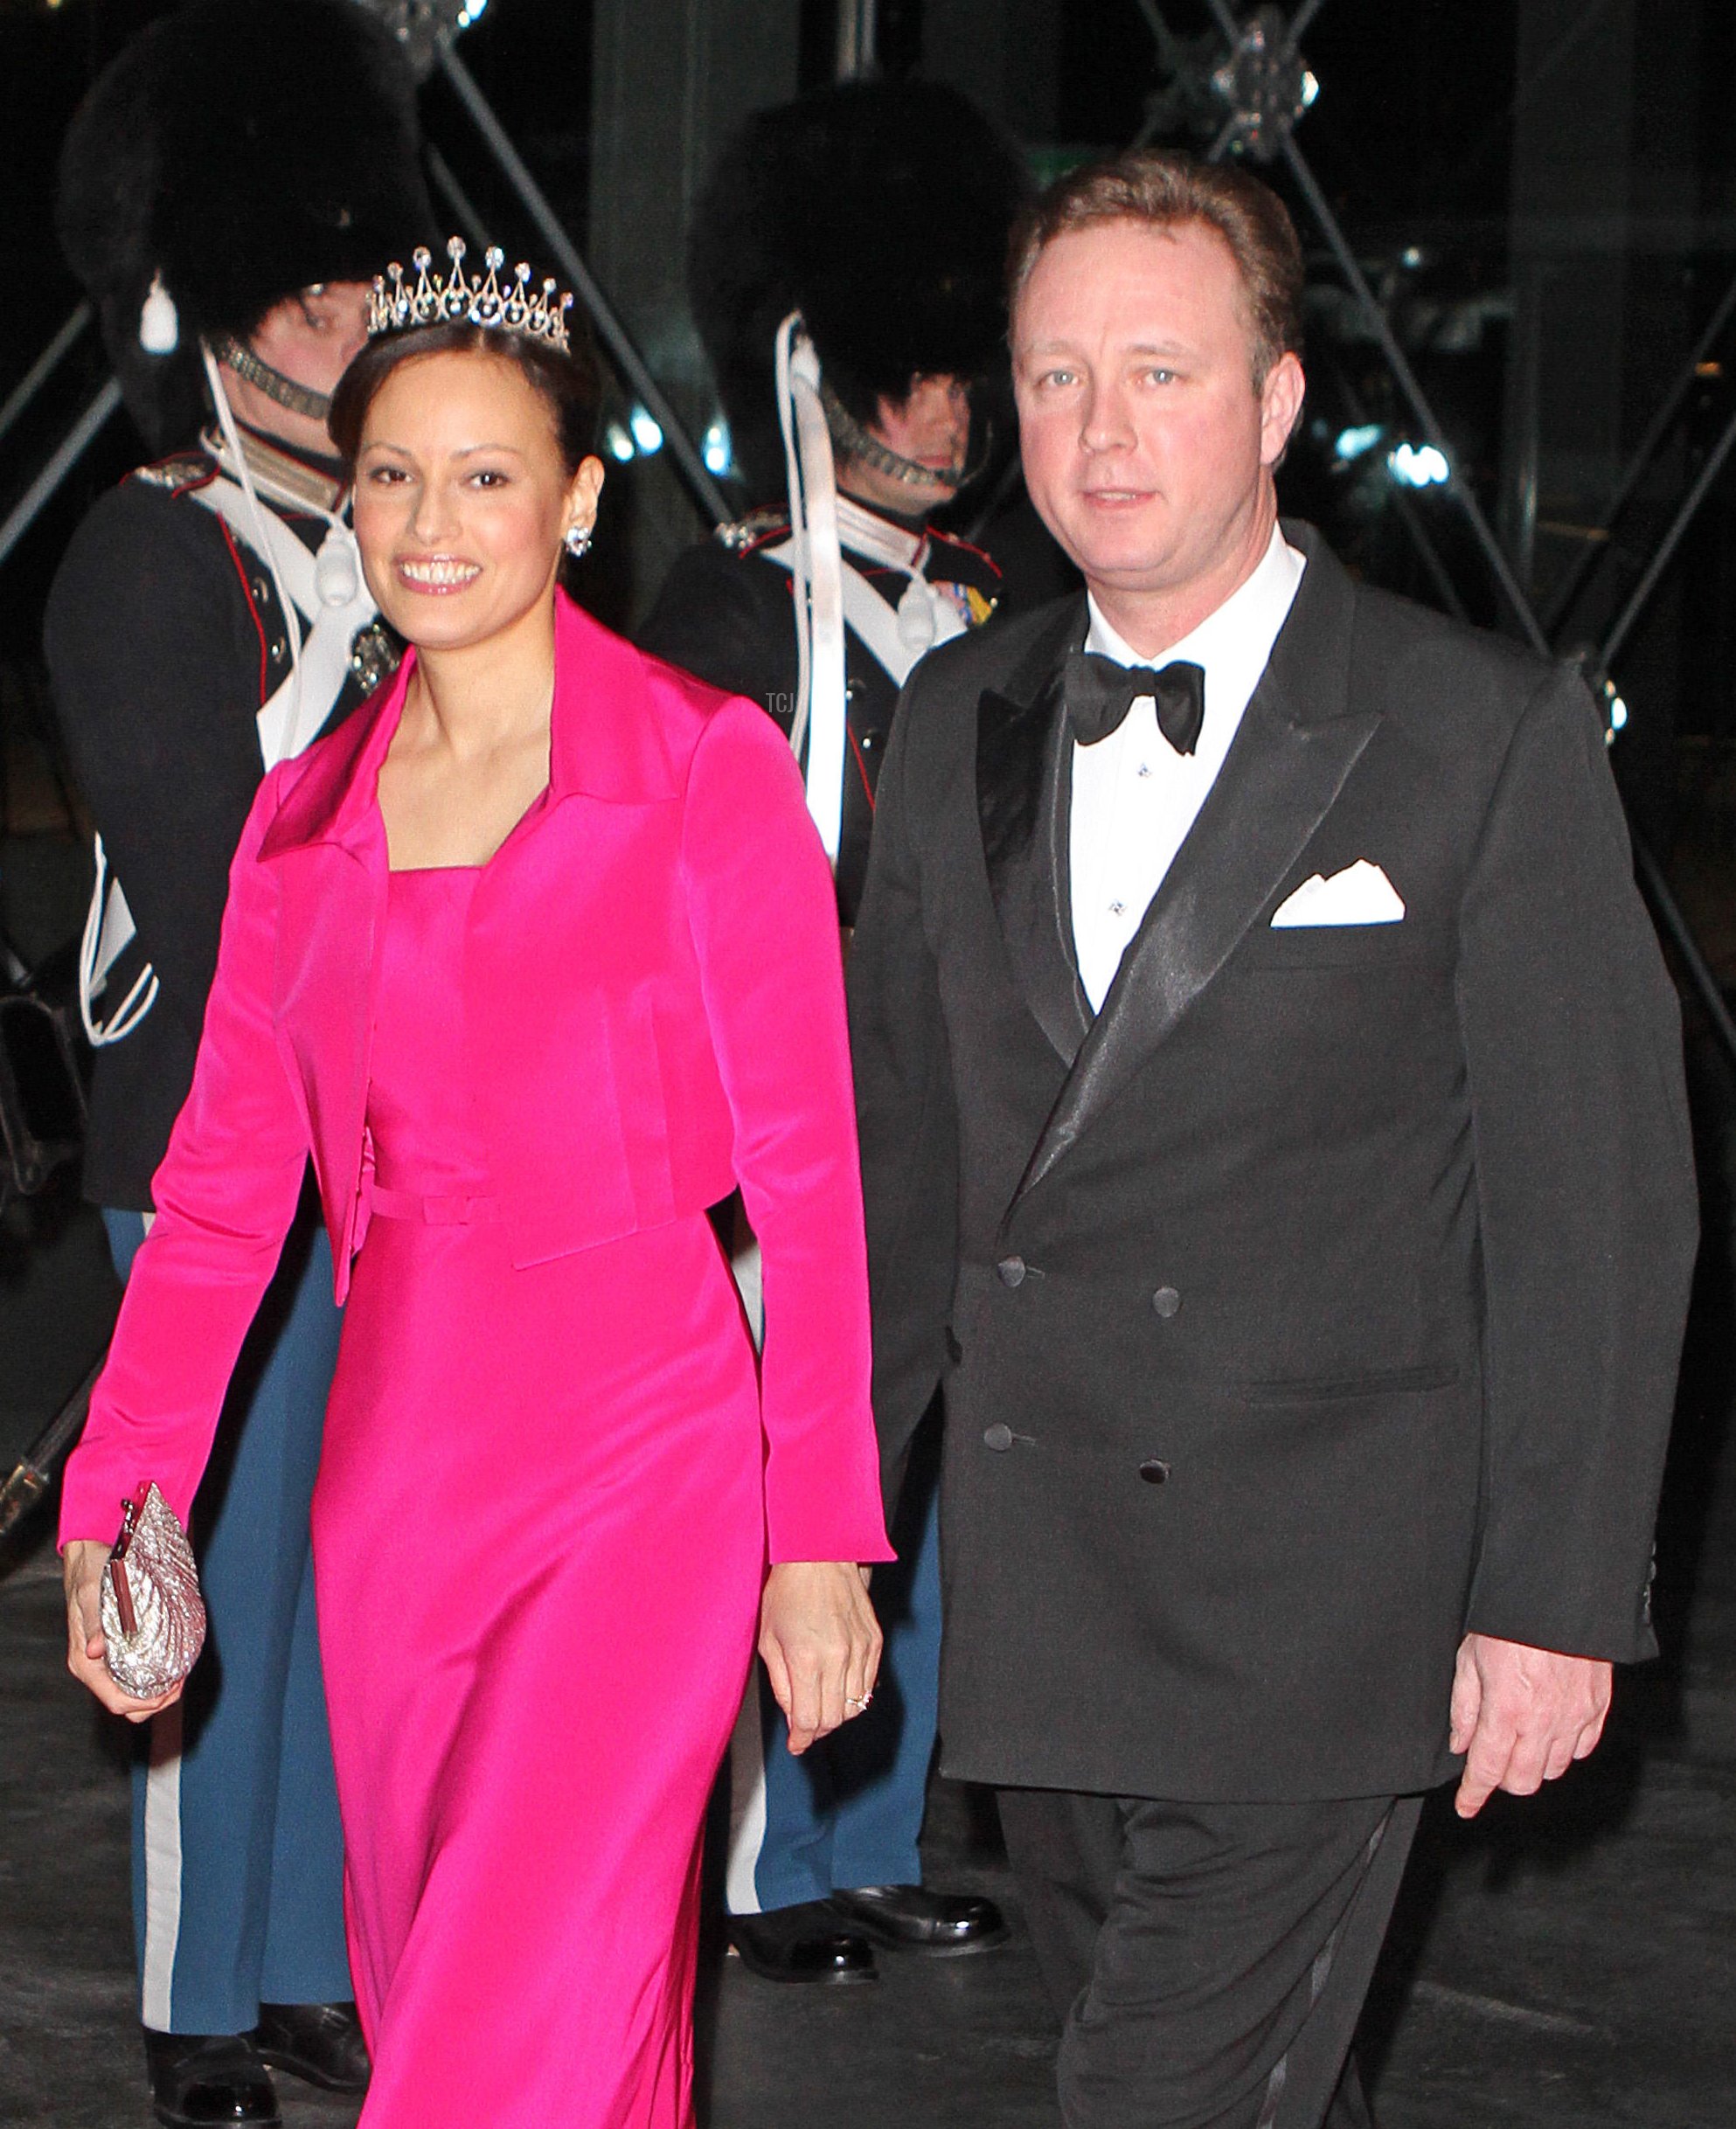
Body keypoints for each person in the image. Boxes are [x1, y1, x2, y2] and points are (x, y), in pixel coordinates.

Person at [847, 148, 1698, 2129]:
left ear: (1279, 400)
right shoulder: (958, 712)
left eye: (1160, 370)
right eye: (1056, 376)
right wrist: (820, 1515)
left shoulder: (1476, 728)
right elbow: (901, 1172)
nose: (1101, 430)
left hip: (1325, 1608)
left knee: (1154, 2095)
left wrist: (1556, 1595)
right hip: (1050, 1590)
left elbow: (1600, 1208)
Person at [60, 236, 892, 2129]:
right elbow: (218, 1204)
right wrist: (120, 1495)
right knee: (453, 1975)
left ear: (579, 499)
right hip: (402, 1480)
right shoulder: (299, 826)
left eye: (485, 474)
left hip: (644, 1465)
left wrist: (818, 1533)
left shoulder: (703, 771)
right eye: (392, 476)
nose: (430, 526)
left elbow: (811, 1178)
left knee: (509, 2019)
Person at [45, 6, 431, 2122]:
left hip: (395, 1145)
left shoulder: (401, 536)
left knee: (343, 1589)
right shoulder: (150, 549)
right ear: (208, 307)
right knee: (214, 1583)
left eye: (366, 276)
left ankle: (299, 1961)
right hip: (211, 1140)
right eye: (308, 289)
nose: (354, 318)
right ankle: (198, 1998)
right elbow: (215, 899)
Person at [641, 80, 1017, 1985]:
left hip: (953, 1108)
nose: (949, 415)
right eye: (911, 378)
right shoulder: (725, 607)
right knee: (792, 1491)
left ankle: (868, 1832)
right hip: (791, 1116)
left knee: (915, 1497)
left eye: (958, 375)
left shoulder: (987, 603)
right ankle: (757, 1868)